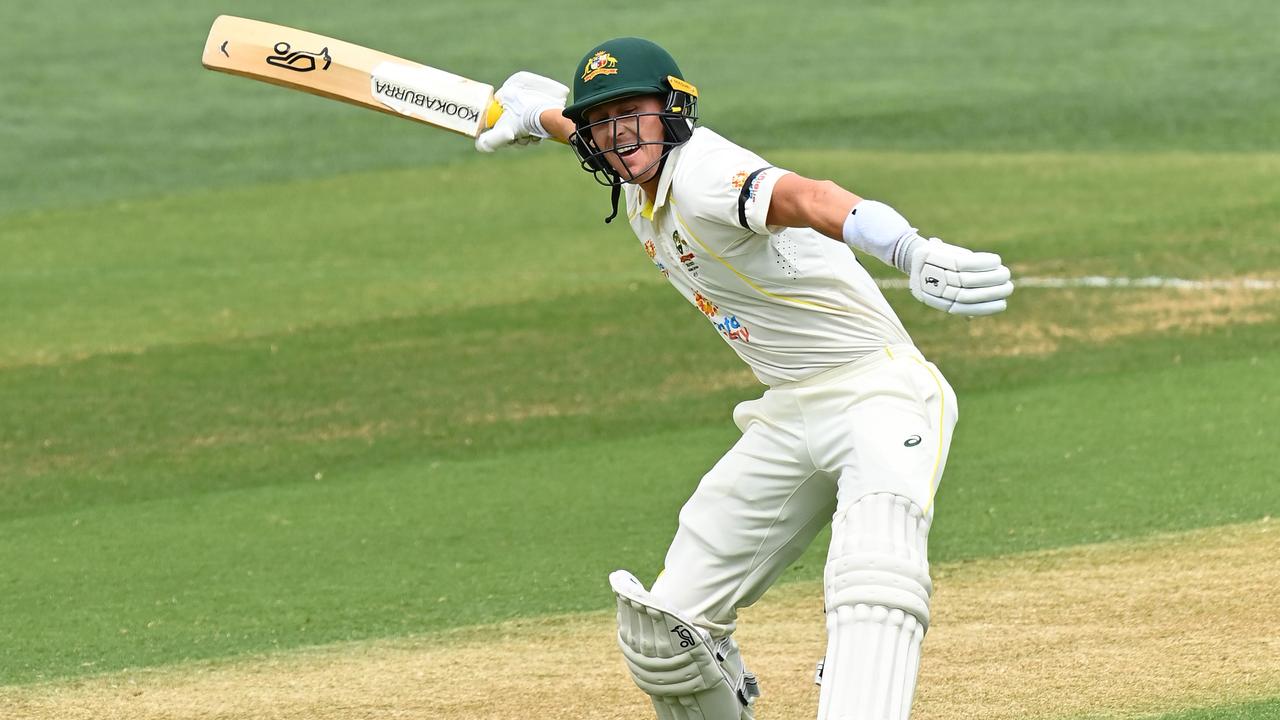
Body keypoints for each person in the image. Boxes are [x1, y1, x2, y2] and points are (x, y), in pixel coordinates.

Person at [475, 37, 1013, 720]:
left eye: (632, 114)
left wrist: (908, 248)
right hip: (790, 411)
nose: (617, 136)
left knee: (874, 582)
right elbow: (590, 129)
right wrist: (540, 108)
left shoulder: (703, 175)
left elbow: (812, 197)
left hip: (879, 393)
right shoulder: (637, 174)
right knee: (667, 632)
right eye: (600, 123)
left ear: (672, 111)